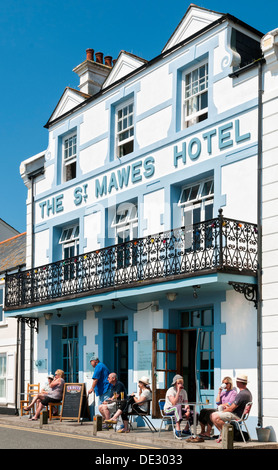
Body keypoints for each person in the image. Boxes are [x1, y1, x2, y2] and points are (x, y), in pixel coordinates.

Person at [210, 374, 252, 443]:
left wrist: (222, 411)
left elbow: (231, 409)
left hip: (236, 415)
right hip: (239, 414)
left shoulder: (241, 394)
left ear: (239, 383)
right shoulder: (247, 392)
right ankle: (223, 434)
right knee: (213, 415)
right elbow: (229, 406)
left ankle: (225, 435)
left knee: (215, 416)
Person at [164, 374, 193, 440]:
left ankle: (186, 429)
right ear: (175, 384)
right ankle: (177, 428)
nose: (180, 384)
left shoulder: (184, 392)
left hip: (178, 409)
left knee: (194, 413)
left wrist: (188, 411)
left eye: (181, 383)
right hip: (168, 409)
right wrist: (178, 392)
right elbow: (174, 403)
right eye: (178, 383)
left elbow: (186, 403)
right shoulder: (171, 390)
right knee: (177, 406)